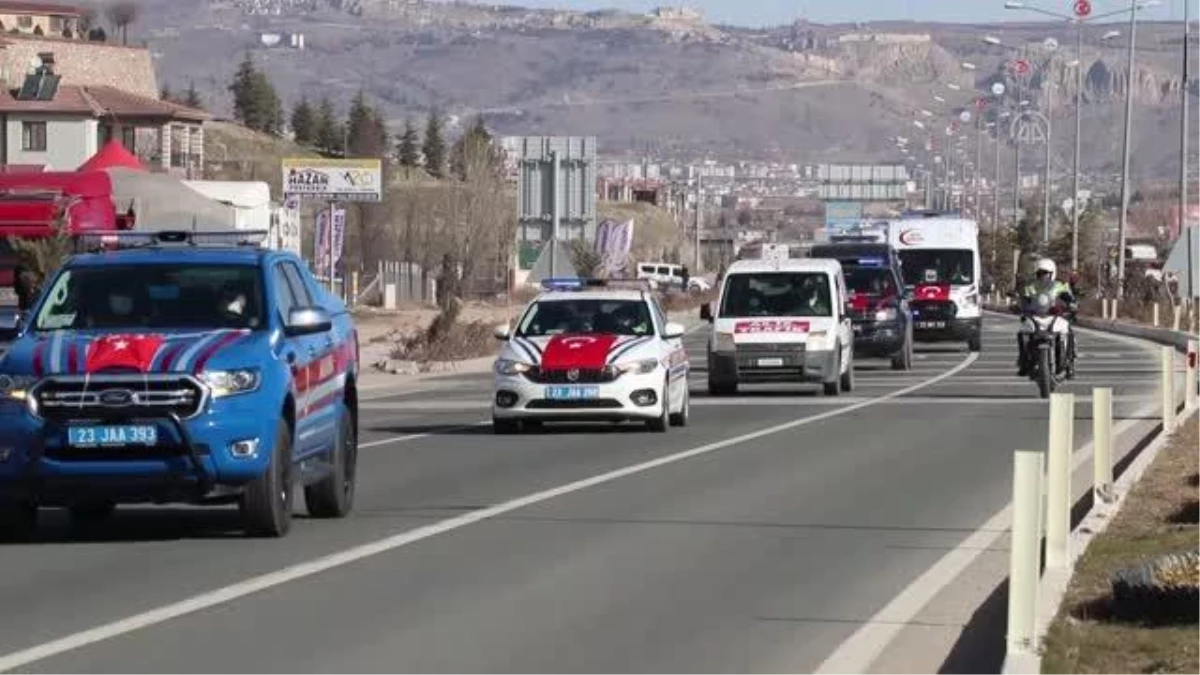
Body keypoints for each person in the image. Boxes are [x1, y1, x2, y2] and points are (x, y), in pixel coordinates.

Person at [1016, 258, 1077, 377]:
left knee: (1068, 332)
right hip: (1035, 316)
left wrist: (1072, 304)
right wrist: (1018, 305)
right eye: (1040, 273)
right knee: (1022, 333)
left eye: (1045, 273)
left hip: (1054, 316)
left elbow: (1069, 297)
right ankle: (1024, 362)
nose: (1043, 276)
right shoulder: (1030, 287)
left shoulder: (1059, 286)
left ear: (1052, 273)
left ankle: (1070, 363)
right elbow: (1024, 300)